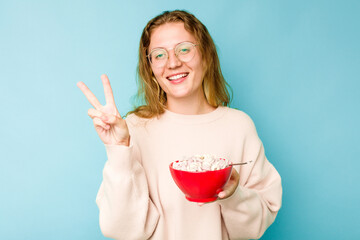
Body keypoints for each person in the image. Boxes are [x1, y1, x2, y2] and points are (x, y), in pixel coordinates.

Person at [77, 10, 282, 240]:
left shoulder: (239, 126)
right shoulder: (133, 129)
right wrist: (120, 150)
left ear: (205, 55)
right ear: (151, 68)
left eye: (184, 49)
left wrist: (234, 195)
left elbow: (254, 228)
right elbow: (120, 229)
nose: (173, 63)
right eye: (159, 55)